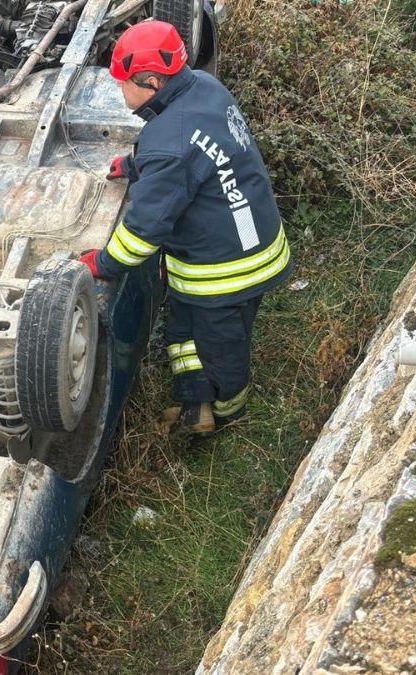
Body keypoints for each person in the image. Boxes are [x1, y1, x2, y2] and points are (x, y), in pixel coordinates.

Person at [78, 20, 291, 435]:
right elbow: (200, 152)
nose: (120, 92)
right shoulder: (206, 89)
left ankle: (228, 412)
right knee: (183, 332)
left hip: (228, 270)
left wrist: (102, 264)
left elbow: (142, 231)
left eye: (124, 84)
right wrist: (140, 166)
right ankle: (196, 402)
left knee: (220, 347)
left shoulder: (168, 141)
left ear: (153, 82)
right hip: (247, 233)